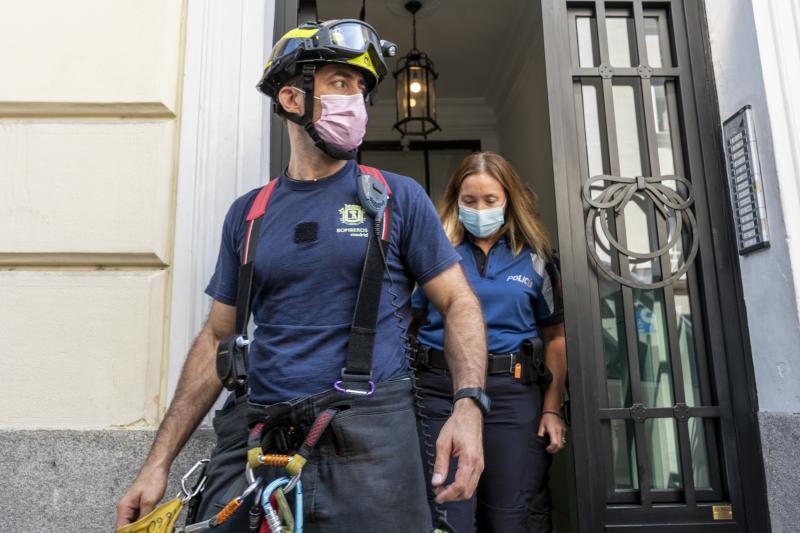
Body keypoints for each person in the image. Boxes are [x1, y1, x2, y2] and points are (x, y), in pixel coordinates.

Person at [115, 19, 488, 532]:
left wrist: (469, 406)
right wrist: (157, 463)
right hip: (259, 444)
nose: (355, 99)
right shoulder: (249, 215)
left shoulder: (397, 197)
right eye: (340, 82)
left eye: (360, 87)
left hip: (373, 444)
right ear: (292, 98)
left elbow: (459, 304)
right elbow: (216, 338)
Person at [409, 152, 568, 532]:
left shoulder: (536, 260)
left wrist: (551, 409)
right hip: (438, 394)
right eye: (469, 201)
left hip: (512, 396)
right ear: (455, 202)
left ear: (508, 201)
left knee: (510, 517)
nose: (479, 209)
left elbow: (556, 339)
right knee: (448, 515)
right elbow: (408, 325)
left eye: (490, 200)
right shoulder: (433, 257)